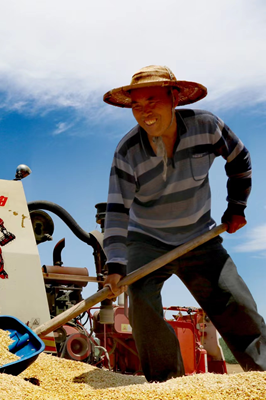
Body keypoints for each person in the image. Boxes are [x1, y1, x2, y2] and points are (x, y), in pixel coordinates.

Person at [102, 65, 266, 382]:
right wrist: (115, 265)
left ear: (174, 97)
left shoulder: (207, 126)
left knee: (235, 302)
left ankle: (261, 375)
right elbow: (116, 210)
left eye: (152, 100)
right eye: (137, 105)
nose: (145, 112)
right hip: (147, 239)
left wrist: (237, 207)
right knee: (140, 299)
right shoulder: (128, 151)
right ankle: (168, 384)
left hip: (199, 236)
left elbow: (240, 159)